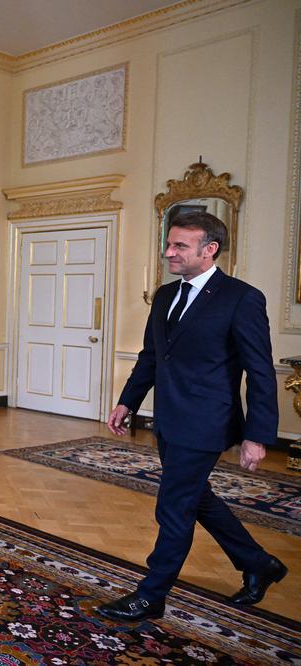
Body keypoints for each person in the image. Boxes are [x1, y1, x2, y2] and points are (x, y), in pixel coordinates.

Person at [97, 211, 286, 622]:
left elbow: (260, 370)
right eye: (169, 244)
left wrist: (257, 436)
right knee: (195, 497)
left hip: (206, 422)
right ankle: (259, 563)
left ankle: (152, 595)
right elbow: (152, 356)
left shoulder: (241, 298)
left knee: (174, 505)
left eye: (179, 246)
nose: (168, 253)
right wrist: (127, 401)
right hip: (168, 418)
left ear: (209, 249)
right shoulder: (166, 295)